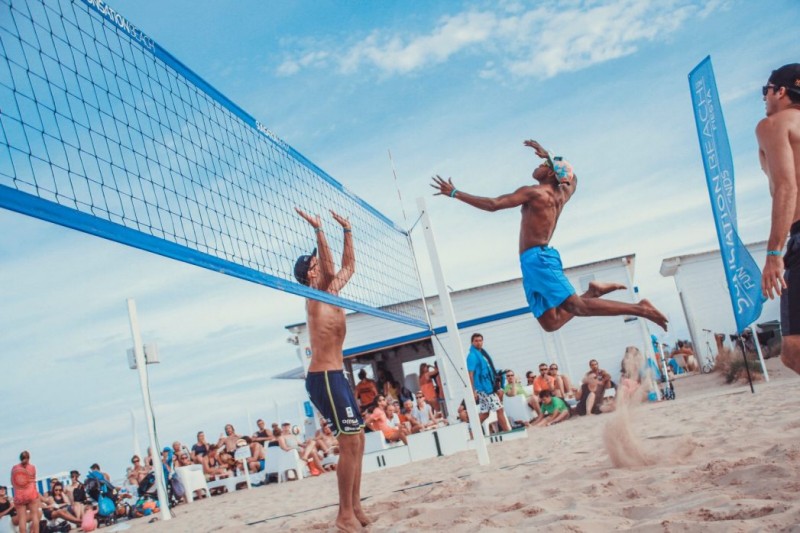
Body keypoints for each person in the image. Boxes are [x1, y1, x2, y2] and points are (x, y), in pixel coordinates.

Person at [431, 140, 668, 332]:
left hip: (539, 259)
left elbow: (494, 204)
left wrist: (455, 193)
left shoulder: (535, 193)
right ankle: (593, 291)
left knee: (578, 307)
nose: (540, 165)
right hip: (532, 261)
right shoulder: (561, 193)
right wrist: (550, 155)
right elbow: (574, 179)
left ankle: (641, 309)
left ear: (552, 174)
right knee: (550, 323)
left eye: (545, 164)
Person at [295, 207, 368, 531]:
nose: (321, 267)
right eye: (314, 266)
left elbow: (349, 265)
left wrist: (348, 231)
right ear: (309, 275)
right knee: (350, 440)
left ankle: (355, 508)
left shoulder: (332, 291)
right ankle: (343, 516)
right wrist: (319, 230)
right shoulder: (313, 295)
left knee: (358, 439)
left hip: (336, 375)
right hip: (323, 377)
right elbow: (328, 266)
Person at [757, 63, 800, 375]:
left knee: (793, 350)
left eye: (766, 91)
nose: (765, 99)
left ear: (781, 91)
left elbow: (786, 187)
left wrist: (774, 253)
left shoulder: (774, 123)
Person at [466, 333, 510, 432]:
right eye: (476, 341)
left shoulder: (482, 354)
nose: (478, 343)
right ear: (472, 342)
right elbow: (470, 374)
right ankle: (507, 431)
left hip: (487, 387)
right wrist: (473, 391)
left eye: (480, 340)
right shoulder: (472, 356)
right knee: (499, 409)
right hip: (484, 389)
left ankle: (471, 430)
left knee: (485, 413)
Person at [11, 451, 41, 533]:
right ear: (29, 458)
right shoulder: (32, 467)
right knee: (35, 515)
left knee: (22, 519)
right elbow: (33, 480)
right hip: (31, 493)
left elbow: (12, 482)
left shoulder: (14, 468)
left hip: (19, 495)